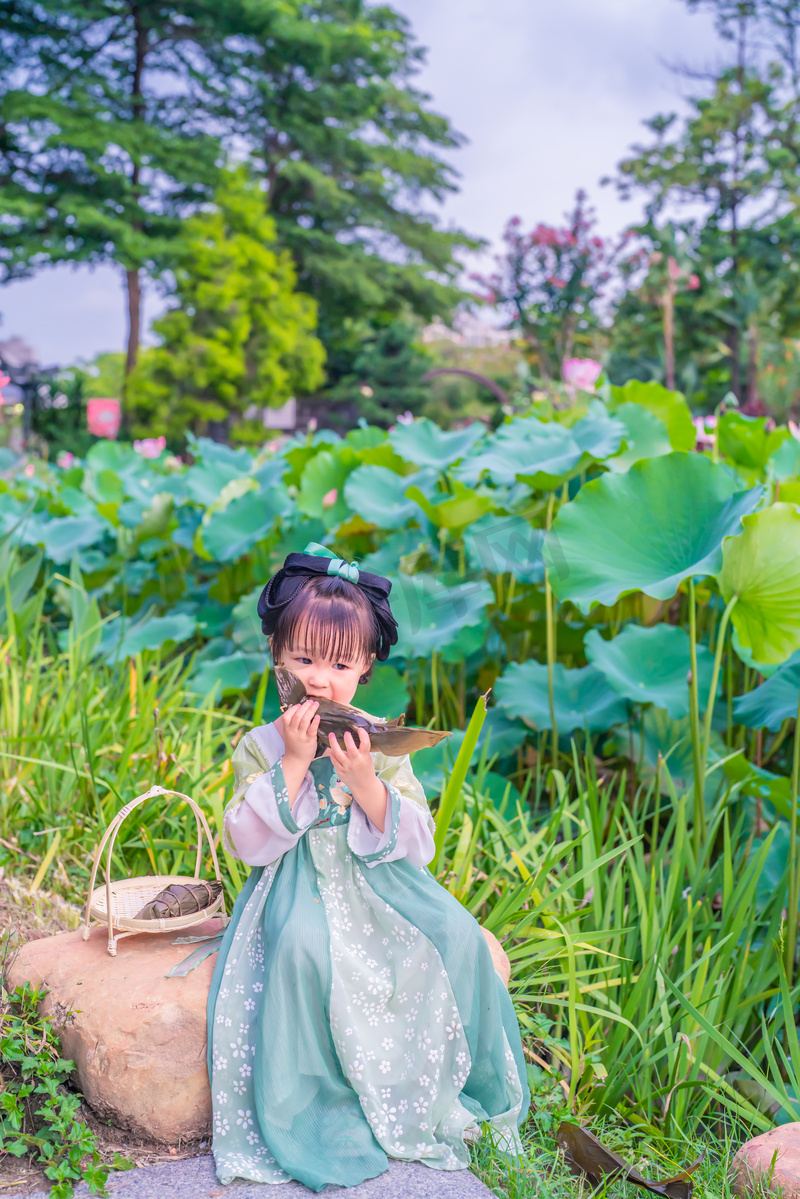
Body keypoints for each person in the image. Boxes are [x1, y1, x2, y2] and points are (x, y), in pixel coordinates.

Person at [206, 543, 529, 1191]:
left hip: (382, 879)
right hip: (299, 878)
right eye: (303, 658)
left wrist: (365, 780)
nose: (319, 679)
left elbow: (420, 841)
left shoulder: (379, 738)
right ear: (276, 657)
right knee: (301, 952)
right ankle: (317, 1104)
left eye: (339, 663)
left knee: (458, 935)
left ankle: (457, 1086)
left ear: (364, 668)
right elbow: (247, 839)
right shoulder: (263, 743)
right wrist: (295, 763)